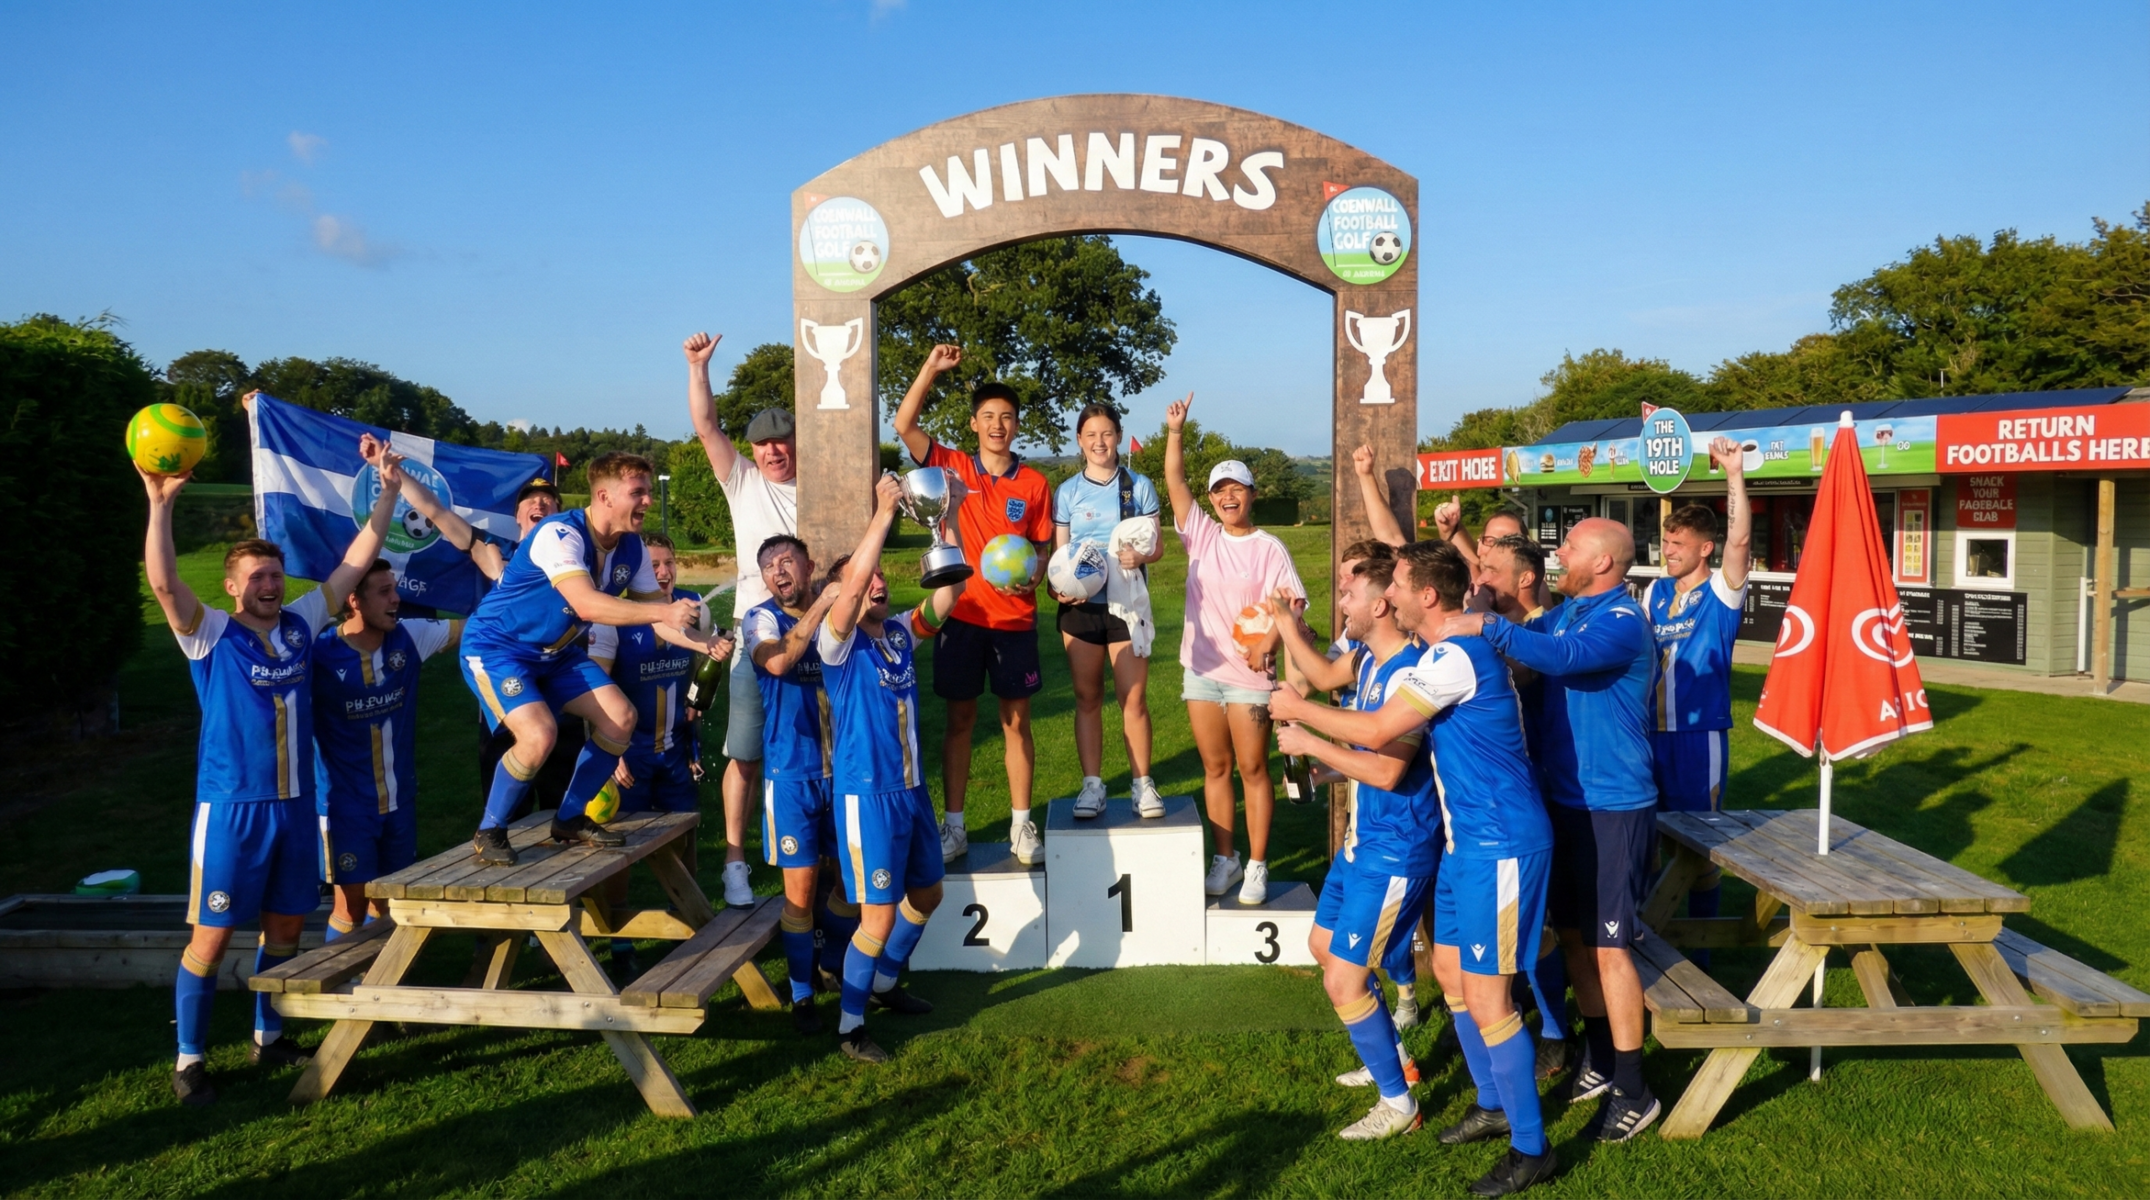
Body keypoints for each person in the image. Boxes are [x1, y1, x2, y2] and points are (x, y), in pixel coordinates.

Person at [1273, 540, 1560, 1196]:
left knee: (1489, 996)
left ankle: (1531, 1147)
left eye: (1397, 583)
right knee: (1454, 973)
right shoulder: (1437, 653)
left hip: (1503, 844)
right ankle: (1490, 1104)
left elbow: (1378, 736)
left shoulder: (1454, 658)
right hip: (1468, 843)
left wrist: (1302, 720)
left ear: (1424, 596)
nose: (1390, 593)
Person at [141, 429, 404, 1106]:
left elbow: (355, 560)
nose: (268, 583)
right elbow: (166, 584)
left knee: (287, 927)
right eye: (255, 576)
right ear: (230, 587)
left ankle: (269, 1036)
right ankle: (190, 1058)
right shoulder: (210, 635)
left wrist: (388, 493)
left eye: (274, 573)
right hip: (232, 809)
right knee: (214, 933)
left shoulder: (299, 623)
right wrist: (160, 504)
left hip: (294, 808)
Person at [1439, 518, 1661, 1143]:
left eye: (1571, 545)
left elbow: (1558, 657)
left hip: (1614, 808)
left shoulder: (1620, 621)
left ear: (1607, 562)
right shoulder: (1566, 614)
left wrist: (1485, 623)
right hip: (1565, 802)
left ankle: (1635, 1089)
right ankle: (1600, 1058)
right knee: (1573, 940)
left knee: (1610, 948)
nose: (1560, 550)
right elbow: (1529, 644)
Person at [459, 452, 715, 866]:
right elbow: (587, 604)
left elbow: (657, 618)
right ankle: (490, 829)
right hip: (497, 648)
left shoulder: (631, 547)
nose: (648, 501)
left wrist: (702, 643)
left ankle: (570, 818)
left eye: (649, 491)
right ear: (604, 496)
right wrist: (663, 611)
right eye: (638, 492)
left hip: (554, 653)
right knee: (540, 734)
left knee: (620, 717)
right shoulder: (560, 533)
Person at [814, 474, 964, 1062]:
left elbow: (946, 598)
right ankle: (850, 1028)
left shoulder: (897, 633)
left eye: (879, 576)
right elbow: (846, 597)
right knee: (875, 915)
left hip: (909, 792)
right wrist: (881, 513)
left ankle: (882, 984)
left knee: (927, 893)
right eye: (864, 578)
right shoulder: (838, 643)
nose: (875, 583)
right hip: (865, 797)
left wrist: (941, 522)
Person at [892, 344, 1055, 866]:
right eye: (988, 417)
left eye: (1006, 418)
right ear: (974, 424)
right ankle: (955, 826)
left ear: (1016, 426)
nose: (998, 425)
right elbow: (903, 422)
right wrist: (930, 369)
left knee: (1016, 722)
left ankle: (1021, 825)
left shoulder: (1033, 483)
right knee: (960, 720)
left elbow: (1044, 548)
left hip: (1014, 620)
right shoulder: (950, 465)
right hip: (960, 616)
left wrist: (1033, 575)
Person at [1272, 558, 1431, 1038]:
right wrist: (1324, 771)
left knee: (1343, 978)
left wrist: (1308, 734)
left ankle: (1399, 1096)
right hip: (1362, 842)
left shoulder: (1409, 673)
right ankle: (1395, 1059)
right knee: (1323, 948)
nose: (1339, 602)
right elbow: (1323, 679)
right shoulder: (1366, 660)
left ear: (1380, 606)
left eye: (1349, 596)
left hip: (1397, 845)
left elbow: (1386, 772)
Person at [1161, 394, 1306, 906]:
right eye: (1219, 490)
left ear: (1252, 493)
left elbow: (1293, 606)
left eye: (1236, 488)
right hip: (1201, 672)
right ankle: (1226, 859)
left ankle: (1258, 865)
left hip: (1250, 677)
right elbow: (1176, 485)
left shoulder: (1270, 547)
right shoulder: (1200, 535)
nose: (1227, 497)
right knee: (1215, 769)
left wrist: (1267, 641)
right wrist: (1175, 432)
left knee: (1252, 770)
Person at [311, 499, 462, 940]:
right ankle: (341, 990)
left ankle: (378, 990)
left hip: (400, 802)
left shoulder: (410, 637)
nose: (396, 598)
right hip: (343, 808)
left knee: (391, 899)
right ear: (352, 600)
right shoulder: (320, 655)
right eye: (384, 591)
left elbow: (478, 629)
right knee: (350, 904)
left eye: (395, 589)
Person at [398, 470, 585, 826]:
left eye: (549, 500)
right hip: (506, 702)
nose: (540, 502)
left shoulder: (577, 562)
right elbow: (436, 512)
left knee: (565, 813)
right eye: (529, 499)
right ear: (517, 516)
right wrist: (392, 472)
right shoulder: (497, 552)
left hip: (562, 701)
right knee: (509, 816)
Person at [687, 330, 802, 908]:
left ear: (797, 443)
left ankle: (812, 860)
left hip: (814, 635)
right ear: (753, 452)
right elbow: (707, 427)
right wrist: (699, 369)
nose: (774, 452)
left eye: (783, 442)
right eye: (764, 445)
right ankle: (735, 860)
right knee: (745, 752)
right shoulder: (742, 481)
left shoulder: (826, 488)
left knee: (814, 753)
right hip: (754, 635)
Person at [586, 533, 729, 975]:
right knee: (620, 846)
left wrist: (695, 739)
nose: (663, 572)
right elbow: (594, 689)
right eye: (654, 565)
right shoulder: (615, 617)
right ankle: (619, 941)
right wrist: (612, 752)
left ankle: (688, 920)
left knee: (684, 836)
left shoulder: (691, 608)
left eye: (669, 563)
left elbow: (703, 678)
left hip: (674, 751)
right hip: (631, 753)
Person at [1644, 437, 1752, 958]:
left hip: (1697, 736)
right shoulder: (1655, 592)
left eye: (1678, 545)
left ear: (1704, 547)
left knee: (1699, 847)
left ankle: (1702, 948)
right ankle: (1656, 935)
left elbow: (1740, 545)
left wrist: (1734, 474)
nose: (1667, 552)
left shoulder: (1723, 591)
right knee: (1653, 841)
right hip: (1648, 735)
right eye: (1665, 544)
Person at [740, 533, 846, 1035]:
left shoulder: (838, 616)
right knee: (800, 893)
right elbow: (779, 661)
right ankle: (802, 996)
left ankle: (835, 964)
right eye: (768, 567)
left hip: (845, 772)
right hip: (792, 776)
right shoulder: (760, 619)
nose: (778, 572)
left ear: (808, 567)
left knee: (849, 883)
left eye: (787, 562)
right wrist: (822, 605)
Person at [1049, 402, 1167, 818]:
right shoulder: (1066, 492)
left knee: (1132, 698)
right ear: (1079, 441)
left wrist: (1142, 557)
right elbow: (1059, 553)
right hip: (1081, 610)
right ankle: (1093, 786)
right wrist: (1058, 589)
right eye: (1090, 435)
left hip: (1126, 605)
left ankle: (1142, 785)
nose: (1099, 442)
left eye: (1107, 433)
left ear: (1118, 436)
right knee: (1086, 697)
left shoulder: (1139, 485)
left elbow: (1158, 546)